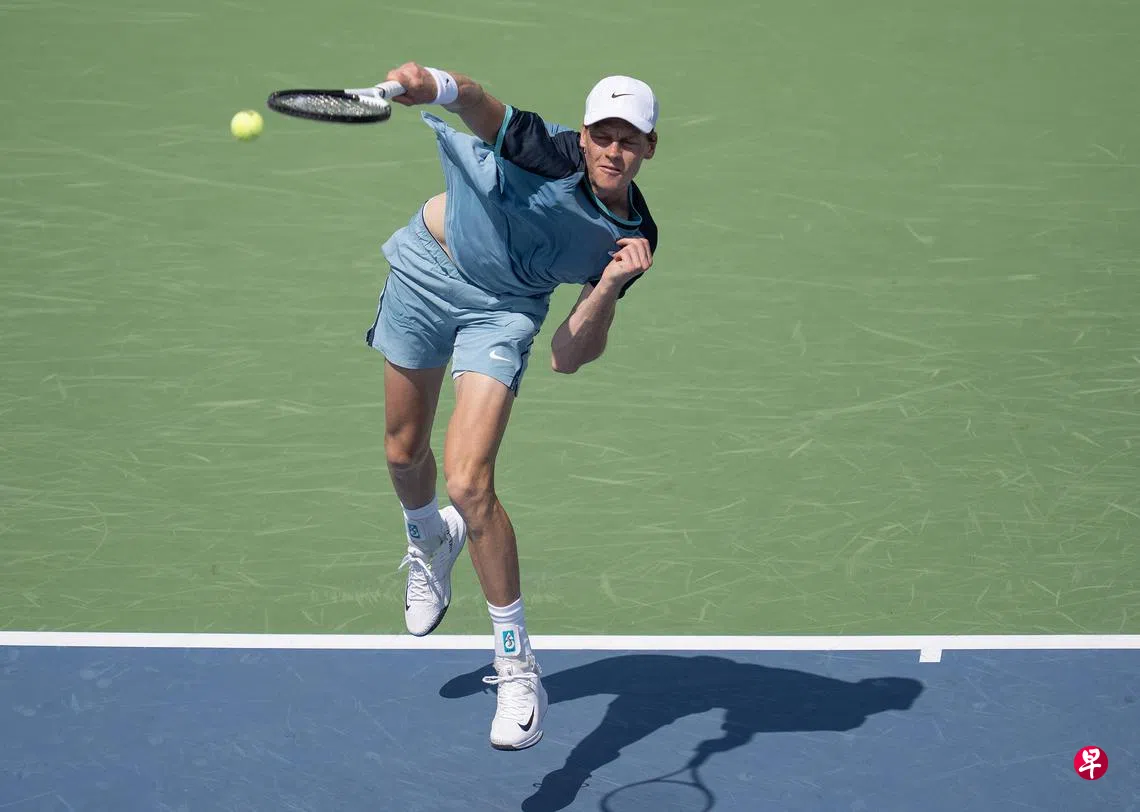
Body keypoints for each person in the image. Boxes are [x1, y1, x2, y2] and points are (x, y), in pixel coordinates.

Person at [364, 61, 659, 751]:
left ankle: (518, 667)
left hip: (503, 311)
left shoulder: (633, 238)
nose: (613, 151)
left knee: (469, 484)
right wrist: (430, 82)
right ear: (582, 136)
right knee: (403, 455)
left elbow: (568, 355)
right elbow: (474, 100)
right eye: (603, 135)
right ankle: (427, 538)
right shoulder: (543, 148)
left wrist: (608, 285)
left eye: (629, 140)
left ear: (650, 147)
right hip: (426, 271)